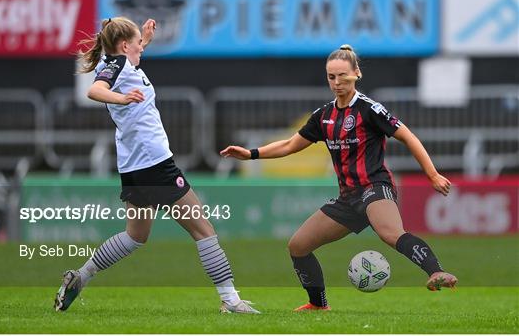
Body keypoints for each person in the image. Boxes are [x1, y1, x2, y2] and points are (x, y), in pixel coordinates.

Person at [220, 44, 458, 311]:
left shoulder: (370, 110)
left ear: (356, 73)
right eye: (331, 77)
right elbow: (289, 145)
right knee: (298, 245)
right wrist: (251, 154)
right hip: (348, 198)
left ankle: (436, 272)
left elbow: (408, 136)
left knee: (390, 233)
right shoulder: (323, 116)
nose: (336, 82)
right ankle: (318, 305)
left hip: (375, 187)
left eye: (342, 76)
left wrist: (433, 174)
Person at [54, 17, 259, 314]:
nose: (142, 48)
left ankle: (80, 277)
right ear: (124, 46)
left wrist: (144, 40)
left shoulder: (119, 63)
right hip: (155, 165)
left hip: (134, 166)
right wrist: (122, 98)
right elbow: (95, 91)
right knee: (204, 230)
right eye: (138, 44)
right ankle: (230, 300)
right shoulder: (118, 67)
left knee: (135, 236)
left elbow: (124, 64)